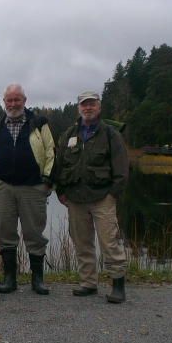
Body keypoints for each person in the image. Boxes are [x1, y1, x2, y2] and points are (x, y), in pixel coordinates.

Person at [54, 91, 129, 303]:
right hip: (75, 199)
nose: (88, 108)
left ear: (99, 107)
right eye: (84, 104)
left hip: (102, 198)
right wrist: (60, 190)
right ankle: (88, 283)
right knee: (82, 243)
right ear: (78, 109)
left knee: (110, 242)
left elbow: (122, 169)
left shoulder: (111, 134)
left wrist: (113, 194)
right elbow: (60, 164)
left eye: (92, 104)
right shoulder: (70, 133)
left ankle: (118, 286)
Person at [0, 83, 55, 295]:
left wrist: (47, 181)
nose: (13, 104)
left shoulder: (39, 123)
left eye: (17, 99)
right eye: (9, 100)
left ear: (24, 100)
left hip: (33, 187)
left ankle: (37, 280)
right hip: (2, 187)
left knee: (34, 233)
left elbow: (51, 152)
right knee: (5, 233)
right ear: (4, 102)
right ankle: (9, 280)